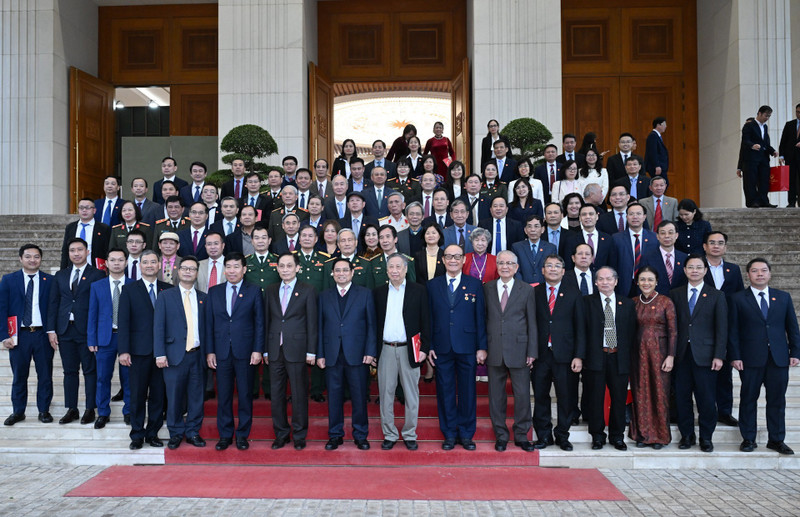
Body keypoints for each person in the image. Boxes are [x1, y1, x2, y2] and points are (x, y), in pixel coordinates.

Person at [730, 258, 799, 455]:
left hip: (778, 358)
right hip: (750, 358)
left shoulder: (783, 297)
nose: (759, 274)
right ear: (748, 275)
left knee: (777, 400)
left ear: (769, 274)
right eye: (755, 271)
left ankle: (776, 439)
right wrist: (735, 356)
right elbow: (733, 330)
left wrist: (795, 352)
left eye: (763, 270)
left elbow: (792, 327)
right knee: (748, 398)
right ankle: (748, 439)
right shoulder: (737, 298)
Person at [427, 245, 487, 450]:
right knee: (445, 391)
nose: (453, 260)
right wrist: (430, 346)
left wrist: (482, 347)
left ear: (464, 260)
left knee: (468, 391)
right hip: (442, 346)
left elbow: (480, 317)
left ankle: (467, 434)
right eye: (449, 256)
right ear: (443, 260)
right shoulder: (432, 285)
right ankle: (450, 433)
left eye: (457, 256)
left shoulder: (475, 284)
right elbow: (429, 319)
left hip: (467, 347)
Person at [205, 252, 265, 451]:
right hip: (221, 352)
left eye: (236, 267)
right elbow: (209, 325)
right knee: (223, 395)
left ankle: (242, 435)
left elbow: (259, 323)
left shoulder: (254, 291)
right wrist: (210, 351)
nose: (232, 271)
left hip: (246, 352)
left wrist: (258, 350)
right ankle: (225, 435)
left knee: (245, 394)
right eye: (228, 267)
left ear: (244, 269)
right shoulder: (214, 292)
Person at [670, 254, 728, 452]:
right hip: (682, 355)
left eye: (698, 267)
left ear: (705, 271)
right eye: (690, 267)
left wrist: (719, 355)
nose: (694, 270)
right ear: (685, 271)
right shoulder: (675, 294)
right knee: (682, 398)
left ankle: (706, 437)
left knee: (706, 399)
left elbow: (722, 328)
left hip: (706, 356)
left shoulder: (716, 295)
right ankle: (687, 435)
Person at [317, 258, 377, 450]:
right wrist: (320, 354)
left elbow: (371, 325)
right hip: (332, 354)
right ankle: (335, 435)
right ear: (332, 273)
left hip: (357, 354)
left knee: (359, 396)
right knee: (334, 397)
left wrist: (370, 351)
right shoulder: (324, 296)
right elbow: (319, 327)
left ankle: (360, 435)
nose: (341, 273)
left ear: (352, 272)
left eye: (345, 270)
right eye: (337, 270)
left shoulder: (365, 294)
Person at [374, 253, 430, 450]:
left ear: (406, 269)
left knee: (411, 394)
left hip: (410, 349)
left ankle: (409, 434)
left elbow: (427, 321)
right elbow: (374, 324)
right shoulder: (379, 292)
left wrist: (425, 348)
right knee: (386, 393)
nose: (395, 270)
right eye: (391, 267)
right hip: (386, 349)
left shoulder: (419, 291)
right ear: (387, 270)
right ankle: (389, 434)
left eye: (399, 267)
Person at [47, 237, 106, 425]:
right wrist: (51, 330)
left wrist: (96, 332)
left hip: (87, 330)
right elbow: (53, 303)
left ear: (87, 252)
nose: (76, 253)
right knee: (69, 371)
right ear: (68, 253)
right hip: (65, 330)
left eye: (80, 250)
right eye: (72, 250)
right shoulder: (61, 275)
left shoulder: (97, 274)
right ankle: (71, 408)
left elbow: (100, 305)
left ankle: (90, 408)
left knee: (90, 371)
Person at [483, 250, 537, 451]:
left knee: (522, 394)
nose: (505, 266)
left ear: (516, 267)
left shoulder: (527, 290)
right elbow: (484, 319)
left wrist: (532, 351)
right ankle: (501, 435)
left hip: (520, 349)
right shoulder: (487, 288)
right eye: (501, 263)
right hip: (494, 348)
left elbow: (532, 322)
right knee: (496, 396)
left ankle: (522, 434)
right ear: (496, 266)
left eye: (509, 263)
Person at [264, 253, 317, 451]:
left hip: (297, 350)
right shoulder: (270, 290)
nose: (285, 269)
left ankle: (299, 435)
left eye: (289, 266)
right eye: (282, 266)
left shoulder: (308, 290)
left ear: (297, 268)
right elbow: (267, 320)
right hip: (274, 350)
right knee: (276, 395)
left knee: (298, 394)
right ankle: (281, 434)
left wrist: (311, 351)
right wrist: (265, 350)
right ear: (277, 268)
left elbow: (312, 322)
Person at [153, 255, 207, 450]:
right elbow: (158, 327)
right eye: (184, 268)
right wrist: (160, 354)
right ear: (178, 270)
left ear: (196, 273)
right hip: (173, 356)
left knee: (196, 397)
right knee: (174, 397)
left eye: (192, 269)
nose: (188, 272)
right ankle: (175, 433)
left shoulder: (203, 298)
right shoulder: (166, 296)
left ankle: (193, 432)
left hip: (197, 355)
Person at [118, 249, 170, 449]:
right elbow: (123, 322)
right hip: (138, 353)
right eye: (145, 262)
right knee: (138, 395)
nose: (149, 265)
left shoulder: (168, 289)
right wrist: (123, 351)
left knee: (158, 396)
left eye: (153, 262)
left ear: (159, 265)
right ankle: (137, 434)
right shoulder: (130, 290)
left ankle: (153, 433)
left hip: (162, 353)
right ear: (139, 266)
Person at [532, 254, 585, 450]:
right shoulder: (534, 293)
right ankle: (544, 435)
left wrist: (579, 355)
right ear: (543, 270)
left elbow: (580, 327)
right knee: (540, 396)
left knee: (566, 397)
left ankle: (562, 435)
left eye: (557, 266)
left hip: (566, 355)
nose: (553, 269)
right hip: (540, 354)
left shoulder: (574, 293)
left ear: (563, 271)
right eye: (549, 266)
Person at [583, 266, 636, 450]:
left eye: (609, 279)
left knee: (619, 399)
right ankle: (597, 436)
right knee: (595, 399)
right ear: (595, 282)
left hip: (619, 357)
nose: (605, 282)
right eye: (601, 279)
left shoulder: (627, 303)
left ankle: (617, 436)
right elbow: (582, 332)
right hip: (596, 357)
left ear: (616, 281)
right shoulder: (586, 303)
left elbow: (632, 334)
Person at [0, 244, 54, 426]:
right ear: (21, 259)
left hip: (41, 335)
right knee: (19, 375)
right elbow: (2, 309)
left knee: (45, 375)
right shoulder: (8, 280)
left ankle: (44, 410)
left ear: (41, 259)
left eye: (36, 256)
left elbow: (54, 309)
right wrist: (4, 336)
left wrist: (52, 332)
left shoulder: (50, 280)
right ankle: (18, 411)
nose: (33, 260)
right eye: (28, 256)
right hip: (18, 335)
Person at [629, 266, 676, 448]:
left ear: (656, 282)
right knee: (640, 393)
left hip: (660, 354)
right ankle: (642, 435)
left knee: (659, 393)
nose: (646, 283)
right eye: (642, 279)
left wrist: (671, 355)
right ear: (637, 282)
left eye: (650, 279)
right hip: (637, 355)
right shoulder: (633, 302)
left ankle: (659, 437)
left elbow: (673, 331)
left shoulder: (665, 302)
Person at [702, 231, 745, 427]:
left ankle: (725, 411)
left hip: (726, 324)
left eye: (720, 243)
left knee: (725, 372)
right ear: (705, 246)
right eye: (712, 243)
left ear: (725, 247)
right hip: (703, 325)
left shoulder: (733, 270)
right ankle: (707, 409)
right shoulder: (697, 267)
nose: (716, 246)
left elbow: (739, 297)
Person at [87, 248, 132, 429]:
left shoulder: (133, 285)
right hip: (105, 338)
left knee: (128, 378)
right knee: (103, 378)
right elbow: (93, 314)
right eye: (112, 260)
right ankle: (103, 413)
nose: (116, 263)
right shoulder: (97, 286)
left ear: (126, 262)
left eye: (120, 260)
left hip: (127, 338)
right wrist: (92, 339)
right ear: (106, 263)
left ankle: (129, 411)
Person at [611, 202, 658, 296]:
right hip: (624, 285)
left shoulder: (654, 238)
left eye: (638, 214)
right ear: (626, 217)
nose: (635, 217)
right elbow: (613, 264)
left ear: (644, 217)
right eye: (631, 214)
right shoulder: (616, 238)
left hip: (647, 284)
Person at [741, 105, 778, 208]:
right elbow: (745, 140)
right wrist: (752, 145)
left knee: (764, 180)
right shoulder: (749, 126)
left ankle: (763, 200)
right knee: (751, 180)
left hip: (763, 158)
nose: (767, 118)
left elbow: (765, 143)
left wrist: (773, 151)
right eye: (766, 115)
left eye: (769, 116)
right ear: (759, 114)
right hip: (751, 158)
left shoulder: (765, 127)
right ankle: (752, 201)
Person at [60, 198, 111, 270]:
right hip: (74, 268)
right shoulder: (71, 227)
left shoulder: (103, 228)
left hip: (95, 269)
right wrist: (63, 270)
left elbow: (107, 250)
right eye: (81, 208)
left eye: (87, 208)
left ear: (94, 210)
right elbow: (65, 250)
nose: (84, 210)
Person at [640, 220, 687, 295]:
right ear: (657, 236)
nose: (667, 236)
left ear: (676, 235)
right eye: (663, 233)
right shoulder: (647, 258)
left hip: (680, 301)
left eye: (670, 233)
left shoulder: (684, 258)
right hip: (656, 301)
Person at [512, 215, 556, 286]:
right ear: (525, 230)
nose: (533, 229)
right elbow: (516, 270)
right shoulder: (517, 247)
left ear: (542, 229)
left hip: (544, 287)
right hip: (523, 288)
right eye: (529, 226)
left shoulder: (550, 248)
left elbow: (551, 269)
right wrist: (523, 286)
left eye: (536, 226)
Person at [576, 204, 612, 268]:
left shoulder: (607, 238)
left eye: (591, 214)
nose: (587, 217)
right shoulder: (572, 239)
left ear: (597, 216)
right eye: (584, 214)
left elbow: (612, 263)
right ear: (580, 218)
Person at [779, 102, 800, 207]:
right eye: (797, 112)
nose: (799, 114)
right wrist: (781, 155)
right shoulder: (789, 124)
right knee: (790, 180)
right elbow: (783, 141)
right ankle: (791, 202)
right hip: (790, 157)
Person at [644, 117, 669, 182]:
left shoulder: (657, 136)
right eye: (664, 124)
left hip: (660, 166)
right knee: (661, 183)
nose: (666, 126)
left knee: (663, 183)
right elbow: (652, 152)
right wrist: (656, 165)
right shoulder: (653, 136)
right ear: (658, 125)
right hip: (657, 167)